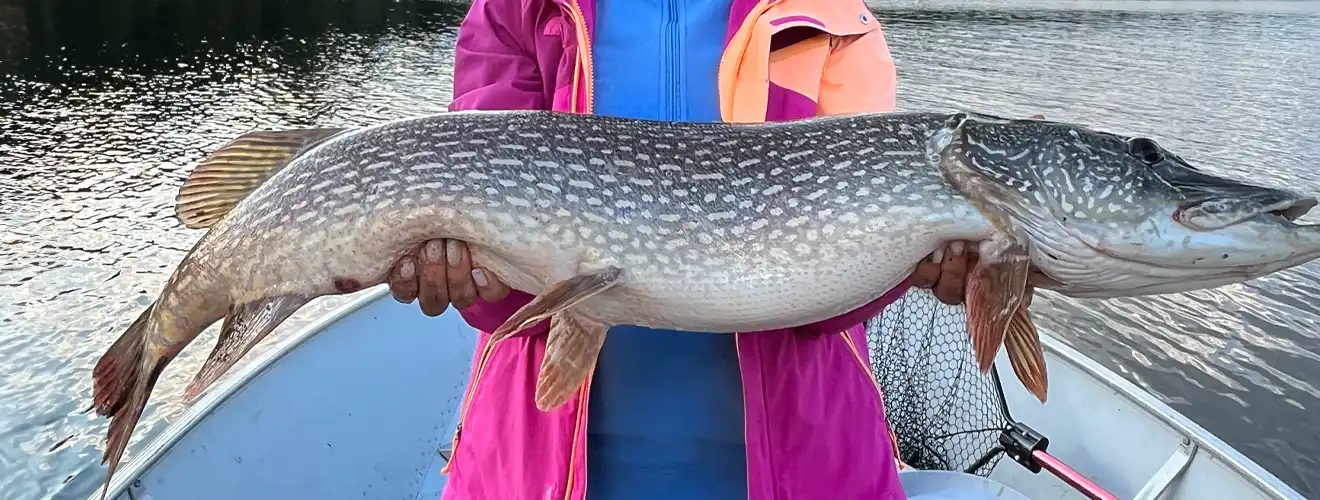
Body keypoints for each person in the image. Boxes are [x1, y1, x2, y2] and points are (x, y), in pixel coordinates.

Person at [384, 0, 985, 497]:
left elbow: (831, 296)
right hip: (542, 465)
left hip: (798, 467)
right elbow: (497, 286)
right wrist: (468, 279)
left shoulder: (828, 19)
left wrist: (906, 263)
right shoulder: (520, 10)